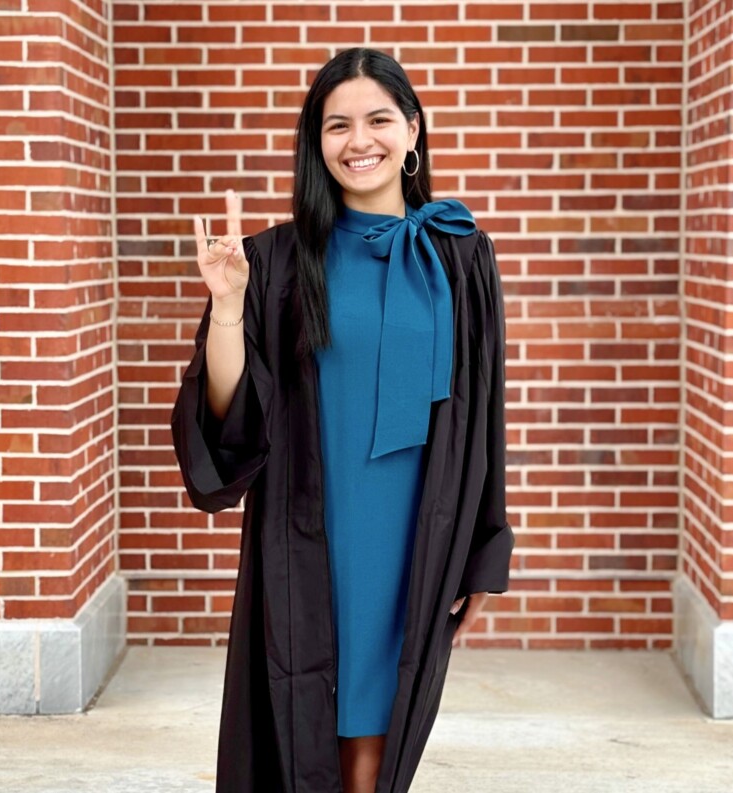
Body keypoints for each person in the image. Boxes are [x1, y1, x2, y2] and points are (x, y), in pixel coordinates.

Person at [171, 47, 514, 793]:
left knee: (382, 727)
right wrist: (227, 309)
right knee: (311, 716)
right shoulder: (276, 261)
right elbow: (230, 417)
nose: (359, 141)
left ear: (413, 129)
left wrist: (486, 549)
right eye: (337, 125)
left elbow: (488, 411)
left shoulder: (460, 255)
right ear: (315, 142)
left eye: (379, 119)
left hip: (417, 530)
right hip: (311, 531)